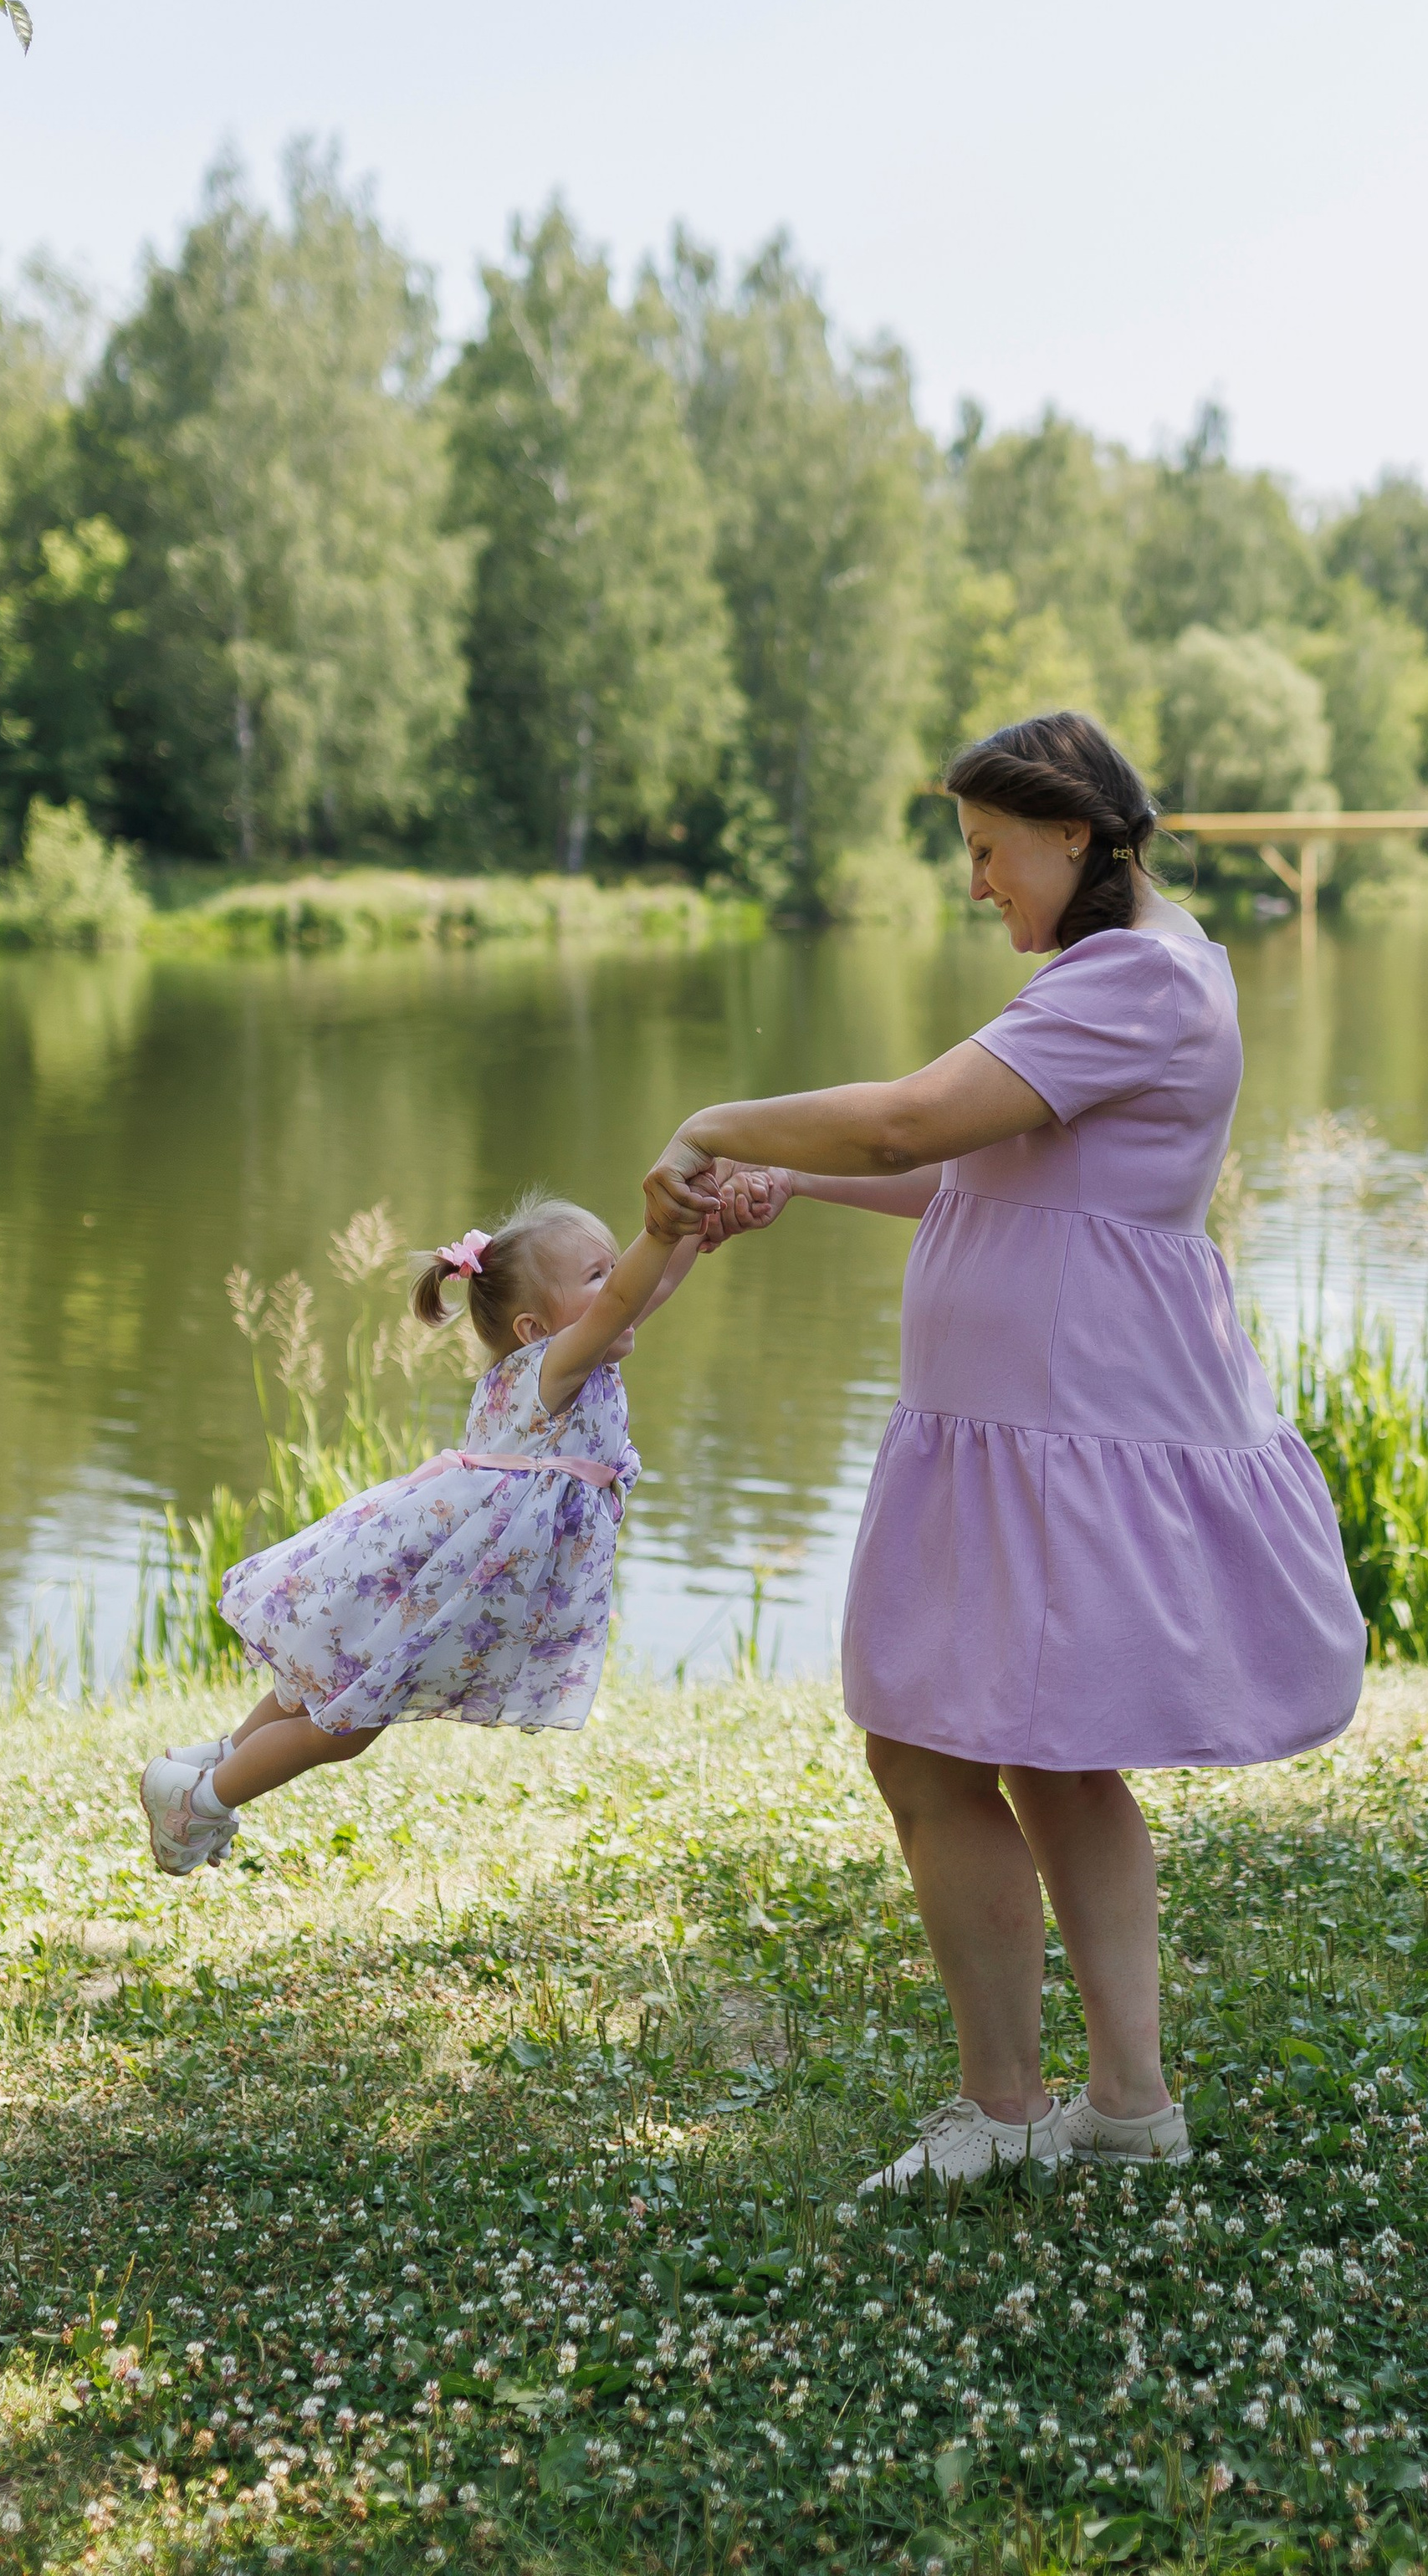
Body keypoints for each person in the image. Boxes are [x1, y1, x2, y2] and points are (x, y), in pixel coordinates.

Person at [644, 710, 1366, 2190]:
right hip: (1041, 1421)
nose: (977, 884)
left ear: (1073, 833)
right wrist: (787, 1175)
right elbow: (999, 1173)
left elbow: (911, 1122)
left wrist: (715, 1120)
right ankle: (1121, 2108)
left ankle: (1014, 2113)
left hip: (1060, 1425)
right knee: (1054, 1759)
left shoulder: (1135, 983)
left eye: (987, 850)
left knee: (930, 1747)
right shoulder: (1148, 972)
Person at [136, 1182, 765, 1874]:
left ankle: (208, 1767)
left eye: (619, 1267)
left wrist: (695, 1233)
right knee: (345, 1726)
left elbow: (644, 1292)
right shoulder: (557, 1365)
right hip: (446, 1573)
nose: (623, 1286)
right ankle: (204, 1800)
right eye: (598, 1275)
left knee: (332, 1682)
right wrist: (665, 1223)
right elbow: (626, 1299)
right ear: (533, 1327)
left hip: (444, 1565)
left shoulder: (573, 1354)